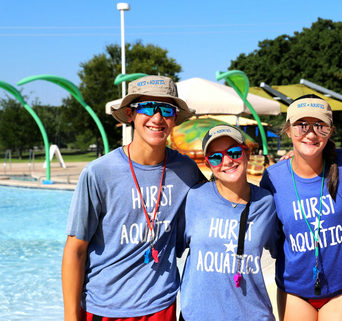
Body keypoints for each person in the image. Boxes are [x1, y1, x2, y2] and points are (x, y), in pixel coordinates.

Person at [62, 75, 206, 321]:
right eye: (148, 107)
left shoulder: (186, 169)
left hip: (161, 305)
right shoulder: (99, 173)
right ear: (130, 114)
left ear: (174, 119)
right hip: (104, 307)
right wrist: (70, 317)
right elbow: (75, 250)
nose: (157, 117)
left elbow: (219, 202)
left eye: (167, 110)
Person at [260, 94, 342, 321]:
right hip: (295, 288)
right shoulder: (273, 177)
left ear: (330, 130)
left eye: (320, 126)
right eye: (301, 126)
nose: (310, 134)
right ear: (288, 130)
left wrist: (337, 222)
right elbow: (274, 233)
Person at [177, 125, 278, 320]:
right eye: (216, 157)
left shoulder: (267, 202)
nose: (227, 160)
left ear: (247, 153)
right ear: (208, 164)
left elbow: (285, 253)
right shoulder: (194, 198)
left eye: (234, 152)